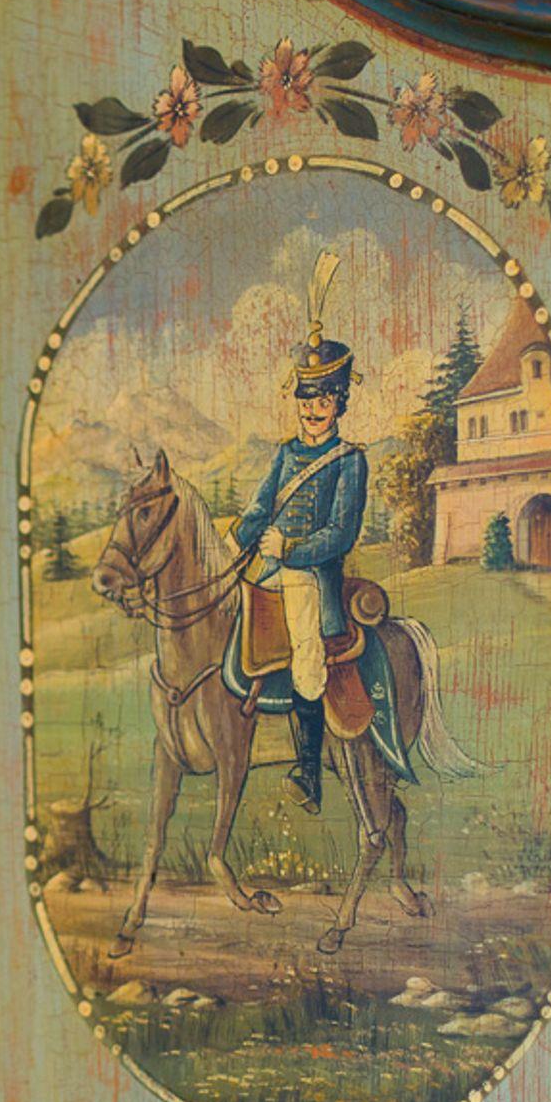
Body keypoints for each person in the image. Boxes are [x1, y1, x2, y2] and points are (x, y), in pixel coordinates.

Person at [230, 251, 368, 814]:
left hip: (313, 576)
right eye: (307, 399)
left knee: (307, 653)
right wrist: (234, 541)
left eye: (325, 399)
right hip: (268, 567)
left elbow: (341, 533)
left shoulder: (350, 460)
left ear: (339, 403)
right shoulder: (286, 453)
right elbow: (261, 506)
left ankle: (308, 772)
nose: (314, 409)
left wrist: (291, 549)